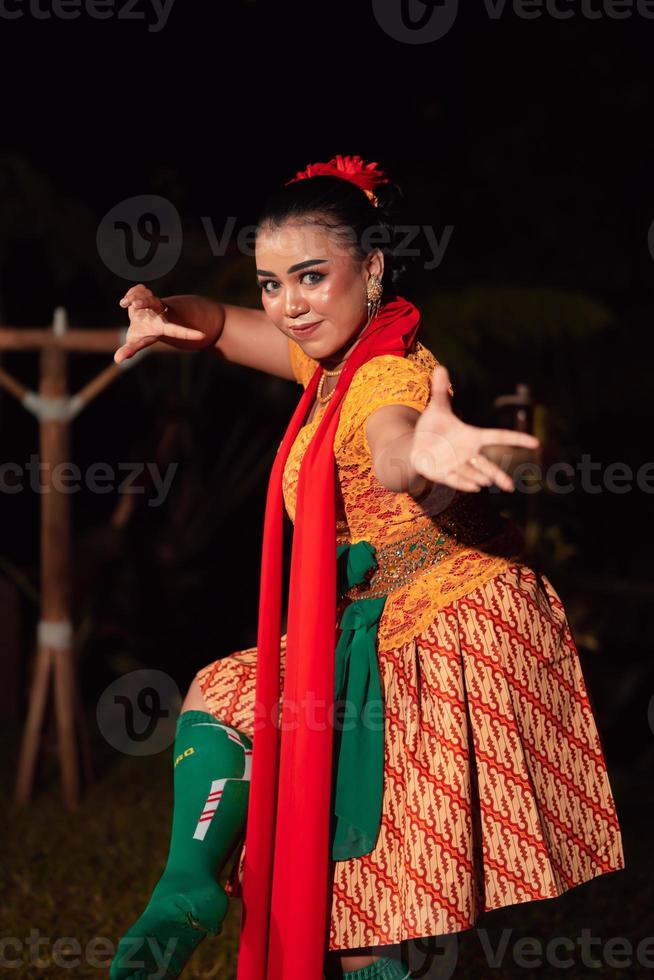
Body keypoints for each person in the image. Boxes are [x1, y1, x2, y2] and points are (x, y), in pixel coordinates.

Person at [109, 155, 625, 980]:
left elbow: (392, 453)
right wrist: (165, 310)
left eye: (311, 277)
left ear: (374, 269)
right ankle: (187, 886)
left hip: (453, 620)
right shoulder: (325, 362)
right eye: (272, 283)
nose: (288, 305)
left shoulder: (388, 369)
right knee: (223, 696)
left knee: (382, 898)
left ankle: (203, 891)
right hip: (379, 624)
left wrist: (425, 452)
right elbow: (216, 323)